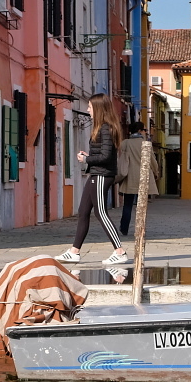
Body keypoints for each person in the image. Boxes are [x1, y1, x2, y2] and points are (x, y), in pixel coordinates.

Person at [59, 93, 127, 265]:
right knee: (83, 211)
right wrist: (89, 156)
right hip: (97, 173)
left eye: (90, 106)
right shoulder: (103, 127)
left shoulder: (106, 128)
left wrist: (86, 159)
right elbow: (103, 154)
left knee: (100, 212)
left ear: (98, 108)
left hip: (102, 175)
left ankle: (119, 251)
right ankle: (75, 251)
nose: (88, 109)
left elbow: (106, 156)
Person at [116, 121, 162, 236]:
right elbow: (152, 161)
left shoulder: (125, 143)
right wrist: (156, 172)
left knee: (127, 205)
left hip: (129, 177)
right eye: (144, 130)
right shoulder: (145, 144)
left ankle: (124, 228)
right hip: (143, 177)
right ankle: (140, 229)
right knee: (142, 206)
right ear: (140, 131)